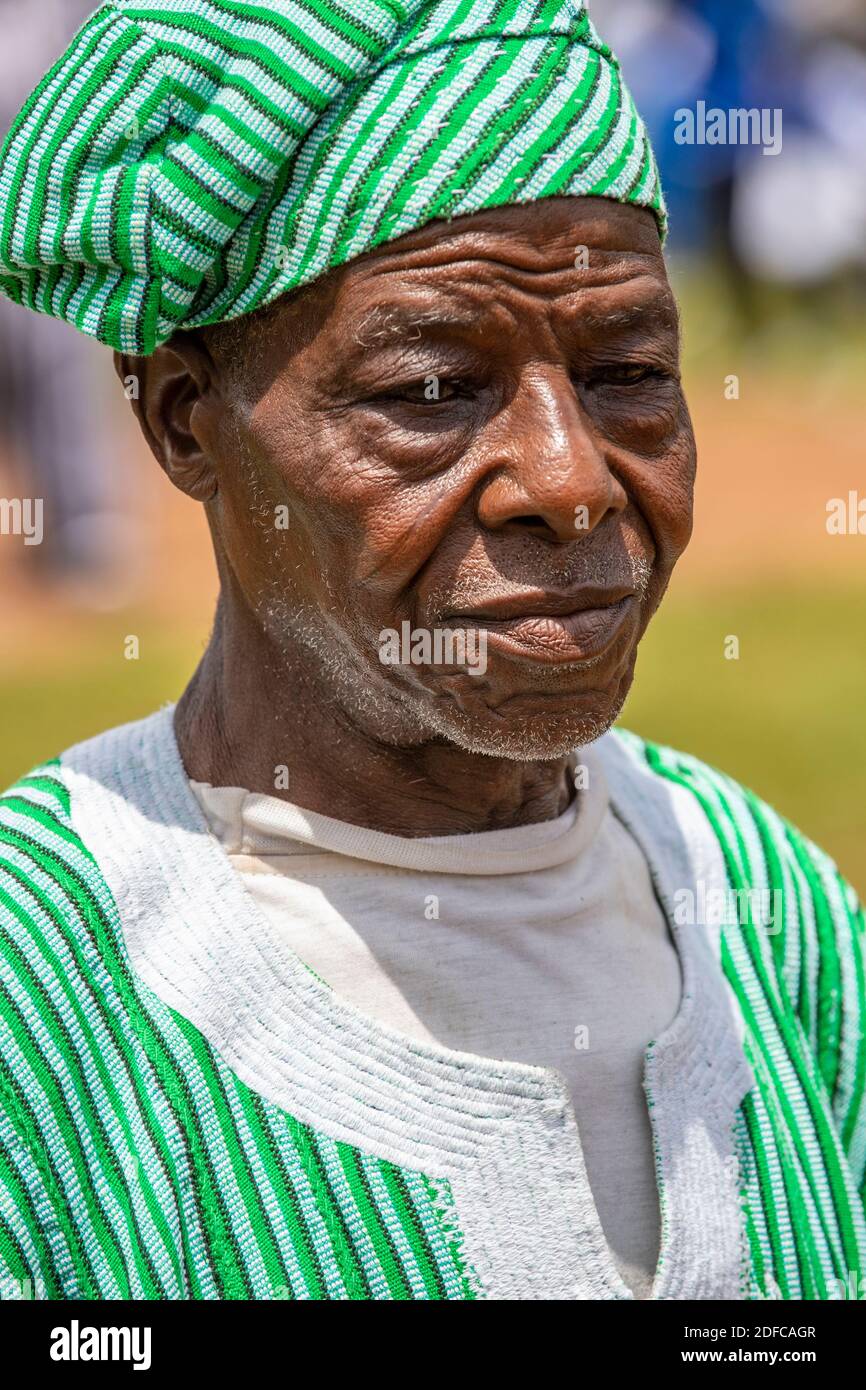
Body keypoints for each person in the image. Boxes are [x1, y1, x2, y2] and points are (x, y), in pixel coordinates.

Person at [0, 0, 862, 1302]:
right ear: (185, 422)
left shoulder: (763, 904)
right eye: (428, 392)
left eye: (626, 368)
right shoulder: (45, 987)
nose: (569, 482)